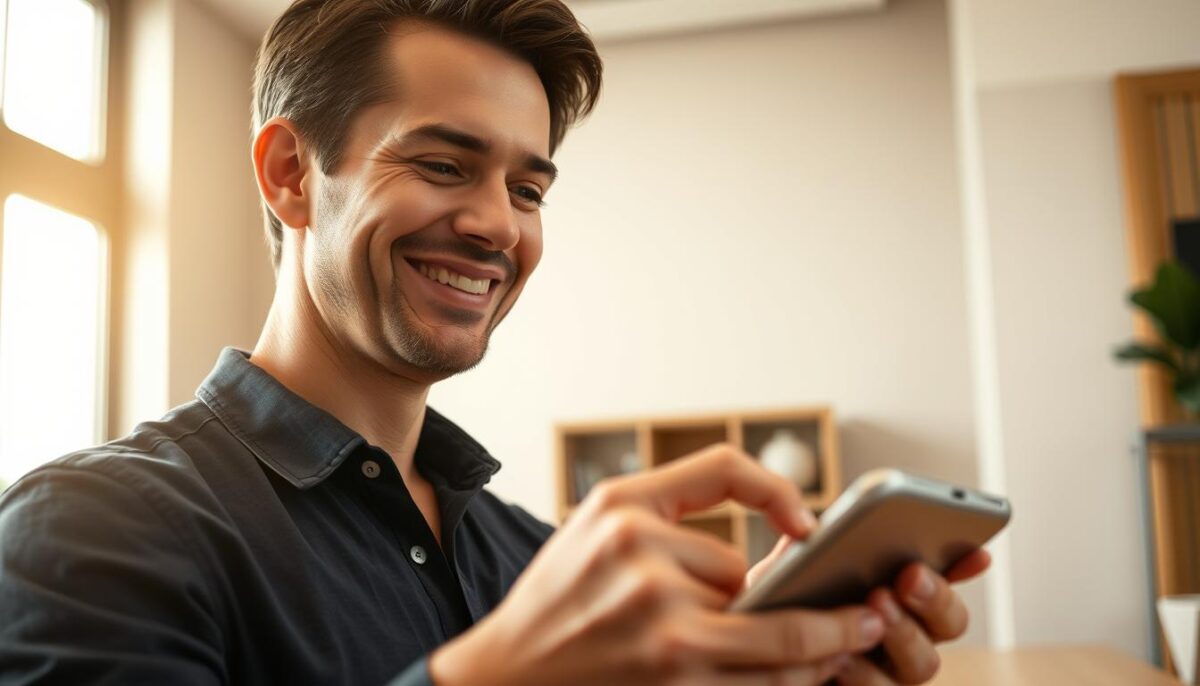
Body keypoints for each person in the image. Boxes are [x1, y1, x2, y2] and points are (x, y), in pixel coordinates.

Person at [0, 1, 990, 684]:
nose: (498, 227)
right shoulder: (85, 533)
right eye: (443, 163)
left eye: (528, 189)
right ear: (293, 173)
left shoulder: (533, 553)